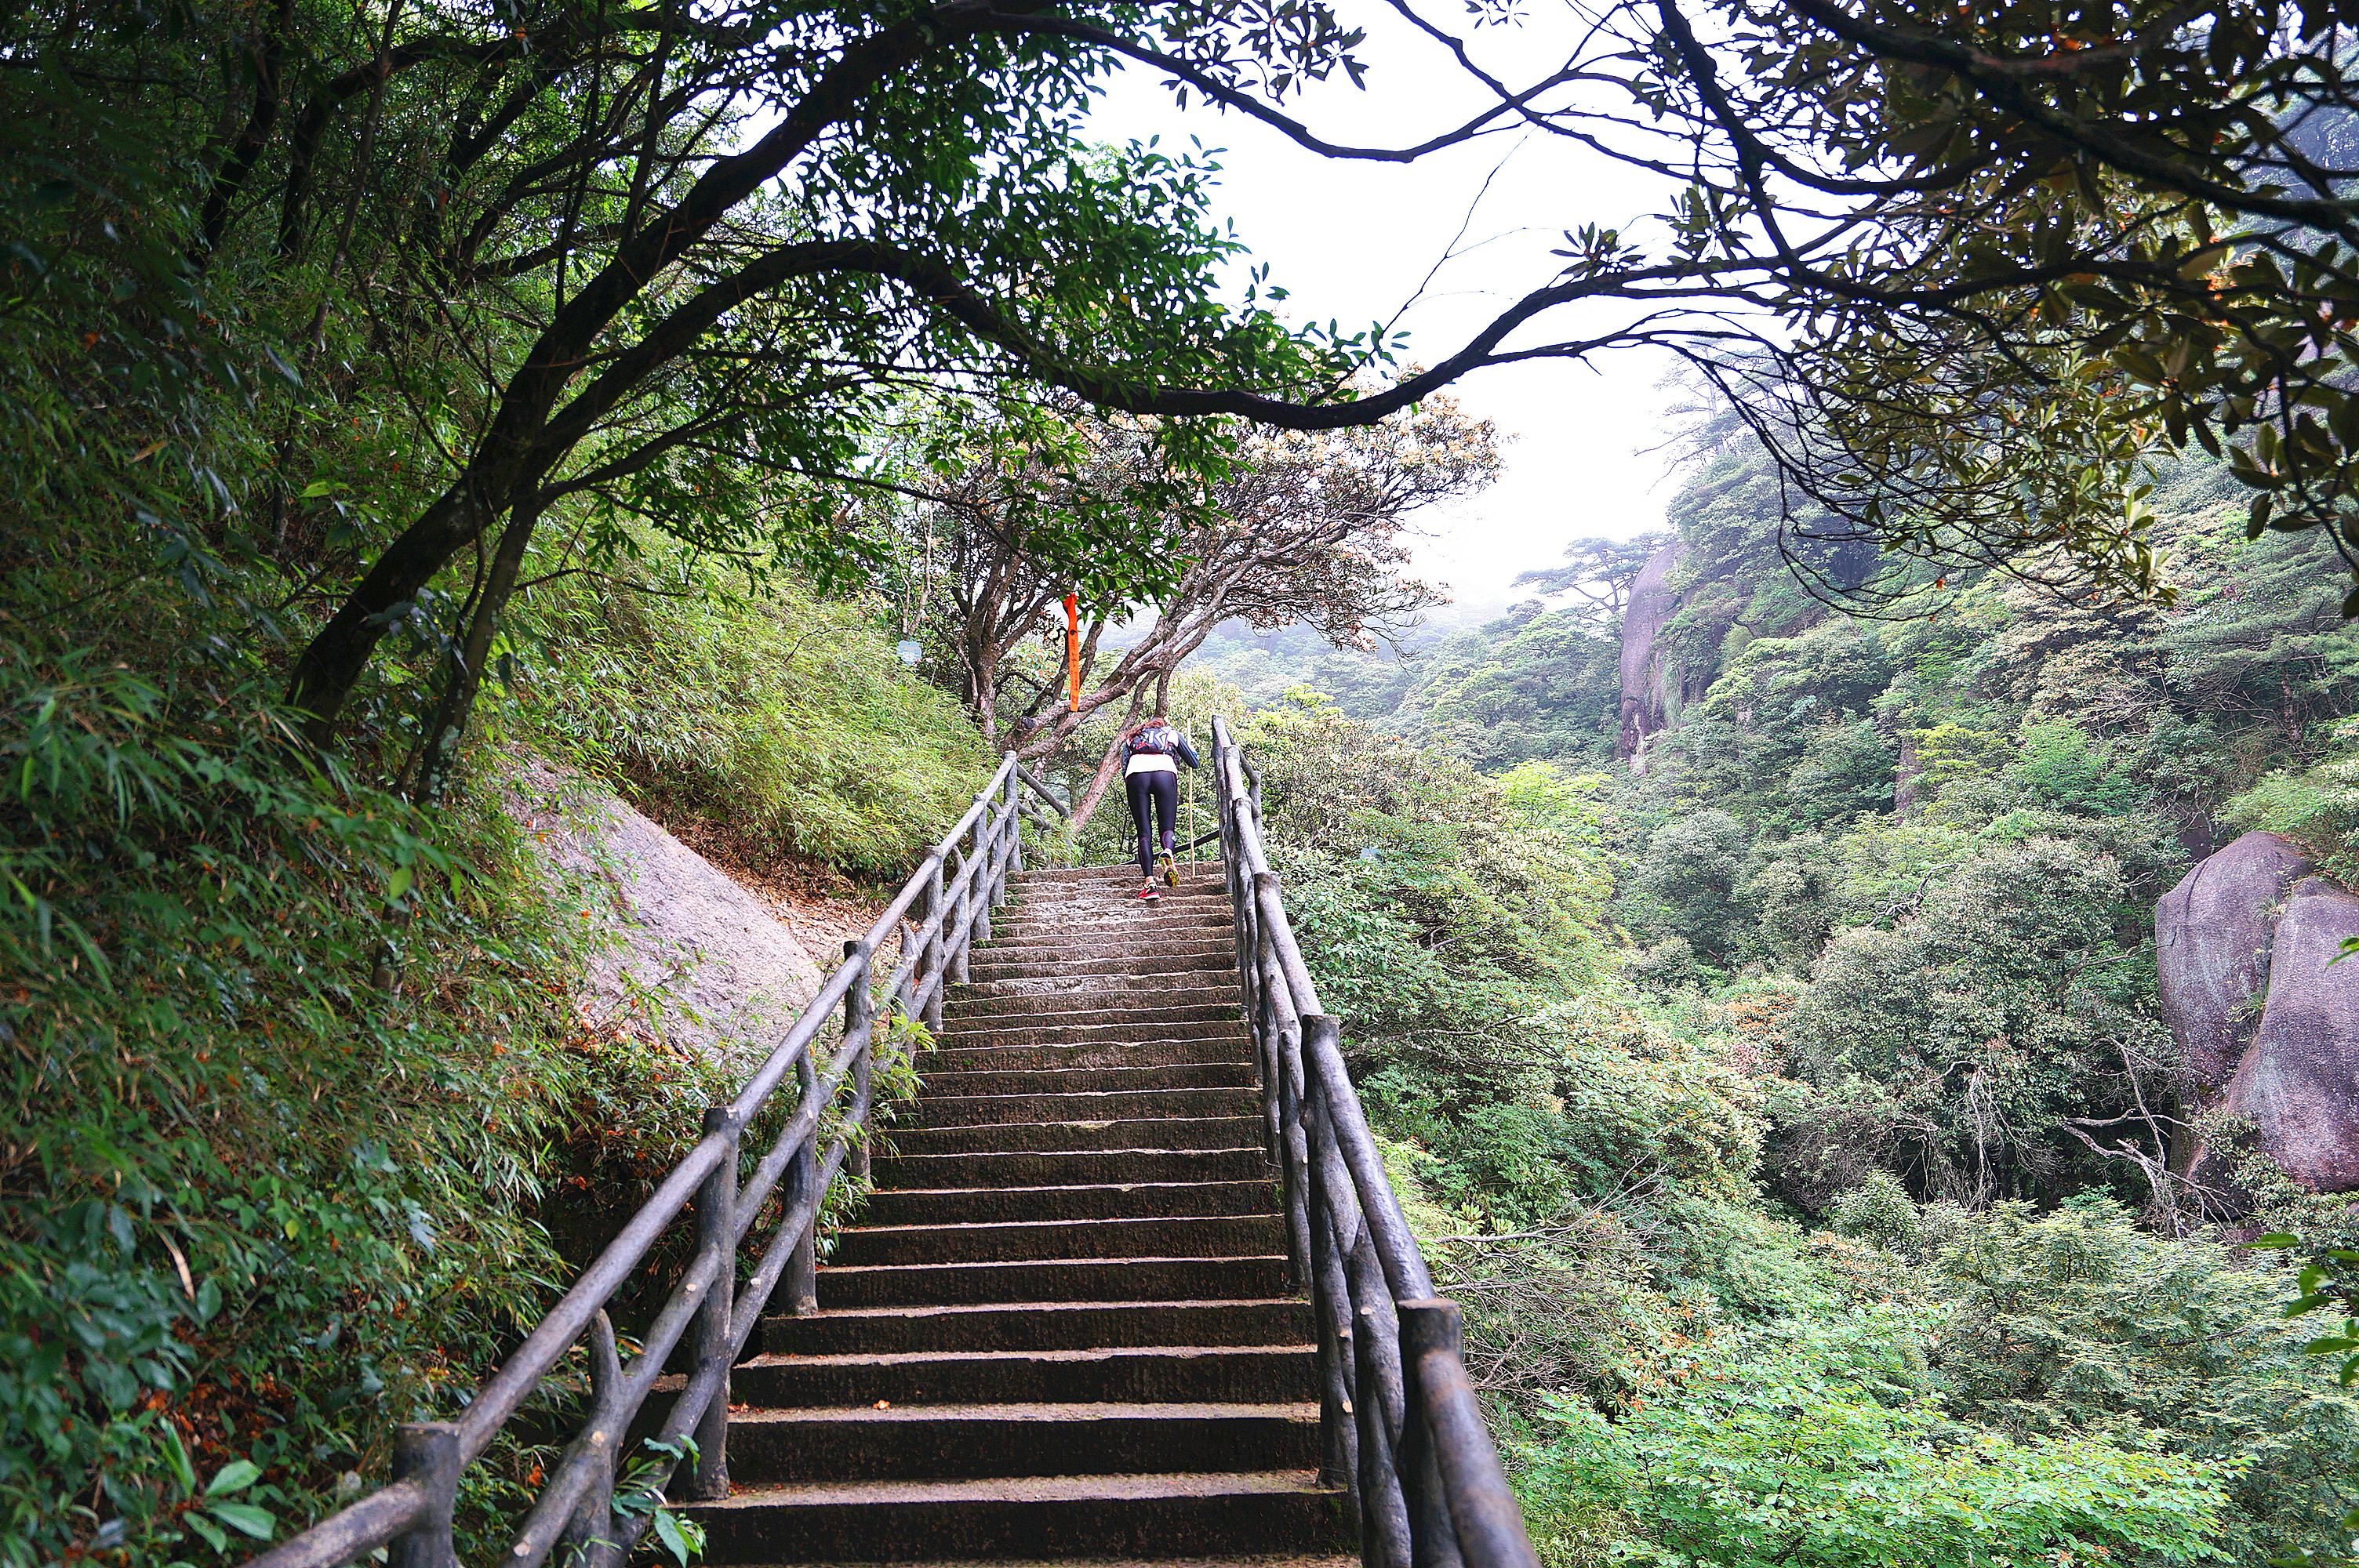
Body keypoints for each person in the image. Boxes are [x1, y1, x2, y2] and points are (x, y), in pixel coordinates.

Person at [1118, 715, 1199, 901]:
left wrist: (1133, 782)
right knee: (1167, 827)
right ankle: (1168, 851)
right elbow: (1193, 763)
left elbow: (1124, 767)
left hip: (1136, 775)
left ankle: (1150, 884)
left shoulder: (1133, 736)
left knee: (1144, 833)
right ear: (1163, 726)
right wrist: (1191, 752)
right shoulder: (1172, 734)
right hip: (1164, 772)